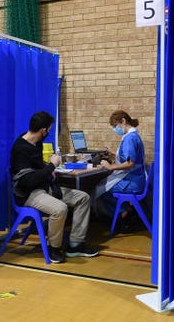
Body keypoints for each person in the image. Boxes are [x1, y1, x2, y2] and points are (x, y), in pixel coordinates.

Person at [10, 111, 99, 264]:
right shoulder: (20, 149)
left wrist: (48, 169)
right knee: (60, 208)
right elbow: (27, 181)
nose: (48, 133)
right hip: (28, 193)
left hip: (44, 187)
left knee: (83, 198)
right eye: (49, 130)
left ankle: (76, 244)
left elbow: (37, 169)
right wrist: (51, 166)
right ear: (43, 130)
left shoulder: (36, 143)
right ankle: (54, 248)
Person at [95, 110, 146, 229]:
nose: (114, 129)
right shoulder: (133, 135)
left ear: (123, 121)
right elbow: (130, 156)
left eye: (114, 126)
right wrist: (114, 153)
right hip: (136, 179)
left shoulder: (129, 139)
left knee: (101, 191)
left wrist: (110, 166)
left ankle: (123, 213)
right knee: (103, 186)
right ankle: (125, 211)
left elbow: (130, 163)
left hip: (132, 182)